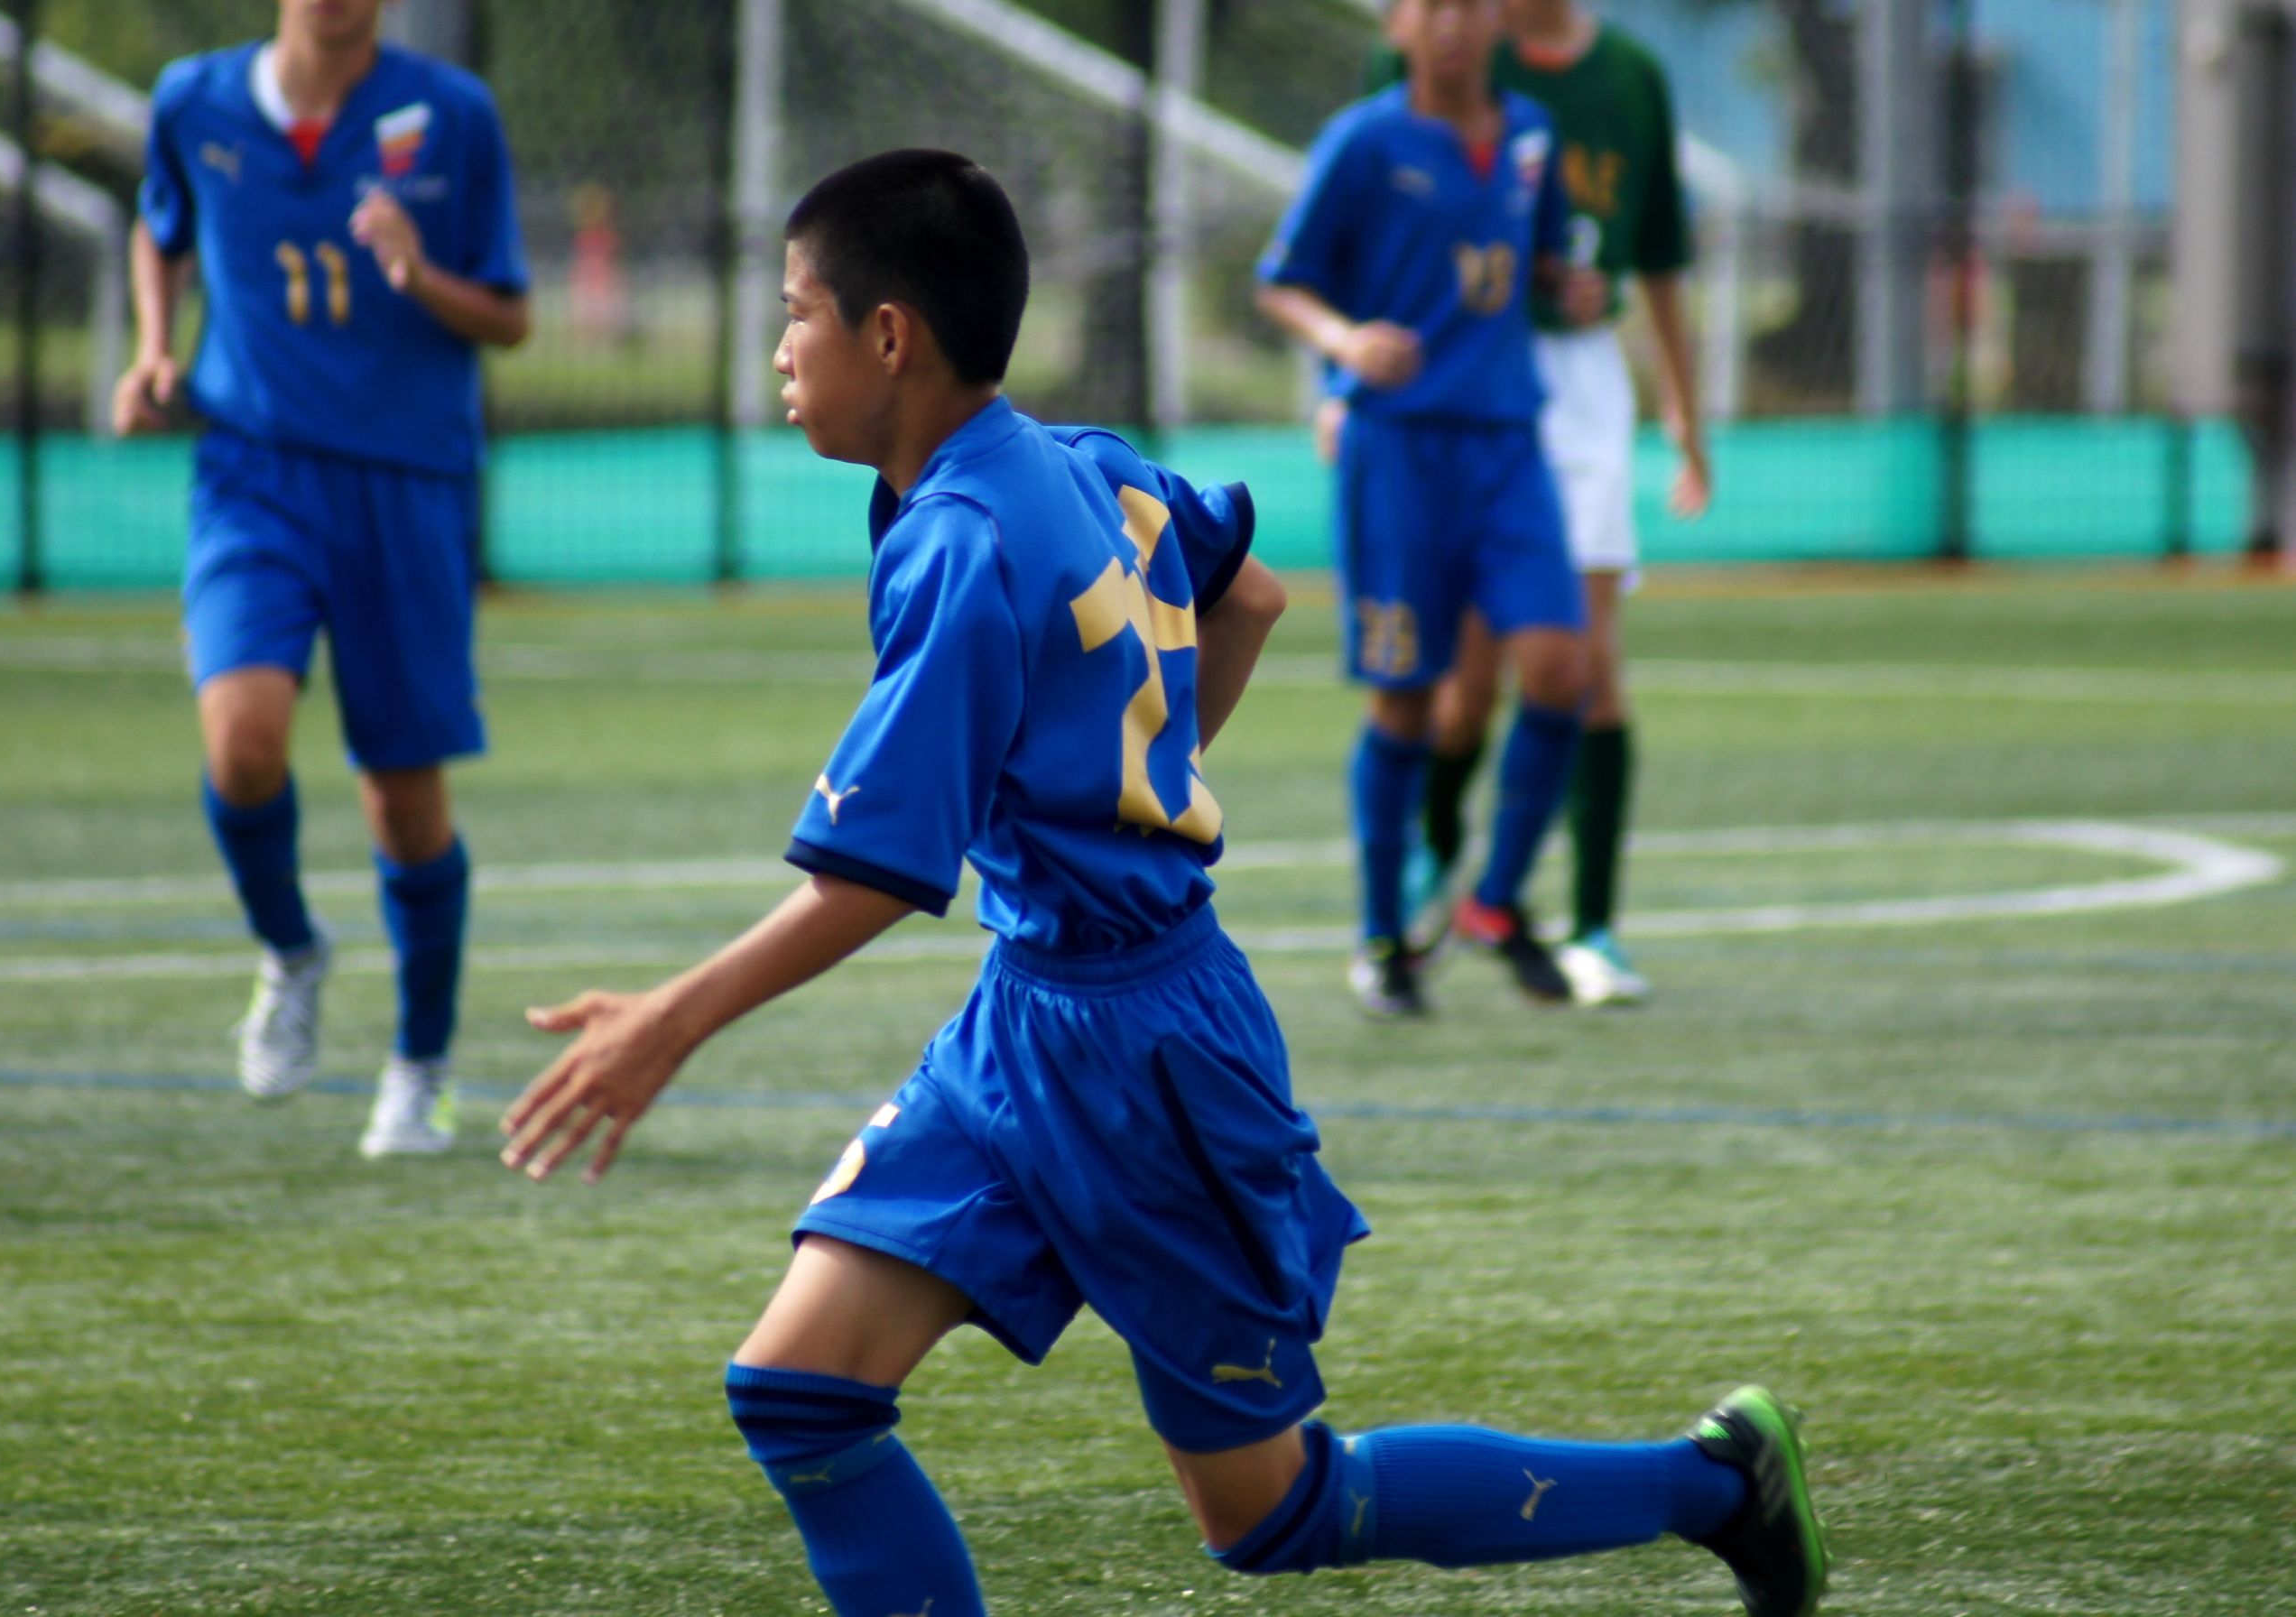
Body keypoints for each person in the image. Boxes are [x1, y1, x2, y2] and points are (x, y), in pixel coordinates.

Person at [498, 147, 1827, 1617]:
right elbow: (1247, 590)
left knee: (1274, 1509)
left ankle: (1717, 1483)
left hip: (1148, 1058)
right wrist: (1129, 779)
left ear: (887, 336)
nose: (778, 352)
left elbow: (873, 874)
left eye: (794, 313)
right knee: (800, 1390)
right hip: (1031, 1017)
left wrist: (667, 1023)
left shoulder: (960, 539)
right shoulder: (1077, 459)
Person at [113, 0, 529, 1154]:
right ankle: (291, 950)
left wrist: (416, 271)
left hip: (408, 485)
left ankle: (421, 1065)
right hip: (251, 471)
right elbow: (159, 229)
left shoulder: (450, 113)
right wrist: (154, 350)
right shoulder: (195, 100)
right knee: (242, 741)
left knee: (403, 798)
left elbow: (510, 317)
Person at [1256, 0, 1598, 1018]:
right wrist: (1345, 342)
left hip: (1507, 442)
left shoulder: (1530, 133)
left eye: (1469, 4)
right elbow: (1283, 282)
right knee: (1404, 696)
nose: (1451, 22)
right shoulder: (1363, 141)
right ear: (1396, 27)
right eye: (1428, 5)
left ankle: (1494, 901)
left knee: (1562, 669)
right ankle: (1380, 939)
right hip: (1398, 449)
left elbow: (1539, 261)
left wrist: (1568, 287)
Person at [1399, 0, 1711, 1005]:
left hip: (1579, 389)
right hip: (1464, 376)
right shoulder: (1431, 50)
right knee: (1467, 686)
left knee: (1588, 664)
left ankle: (1593, 927)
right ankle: (1436, 866)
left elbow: (1658, 254)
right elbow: (1382, 234)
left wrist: (1684, 410)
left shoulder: (1628, 75)